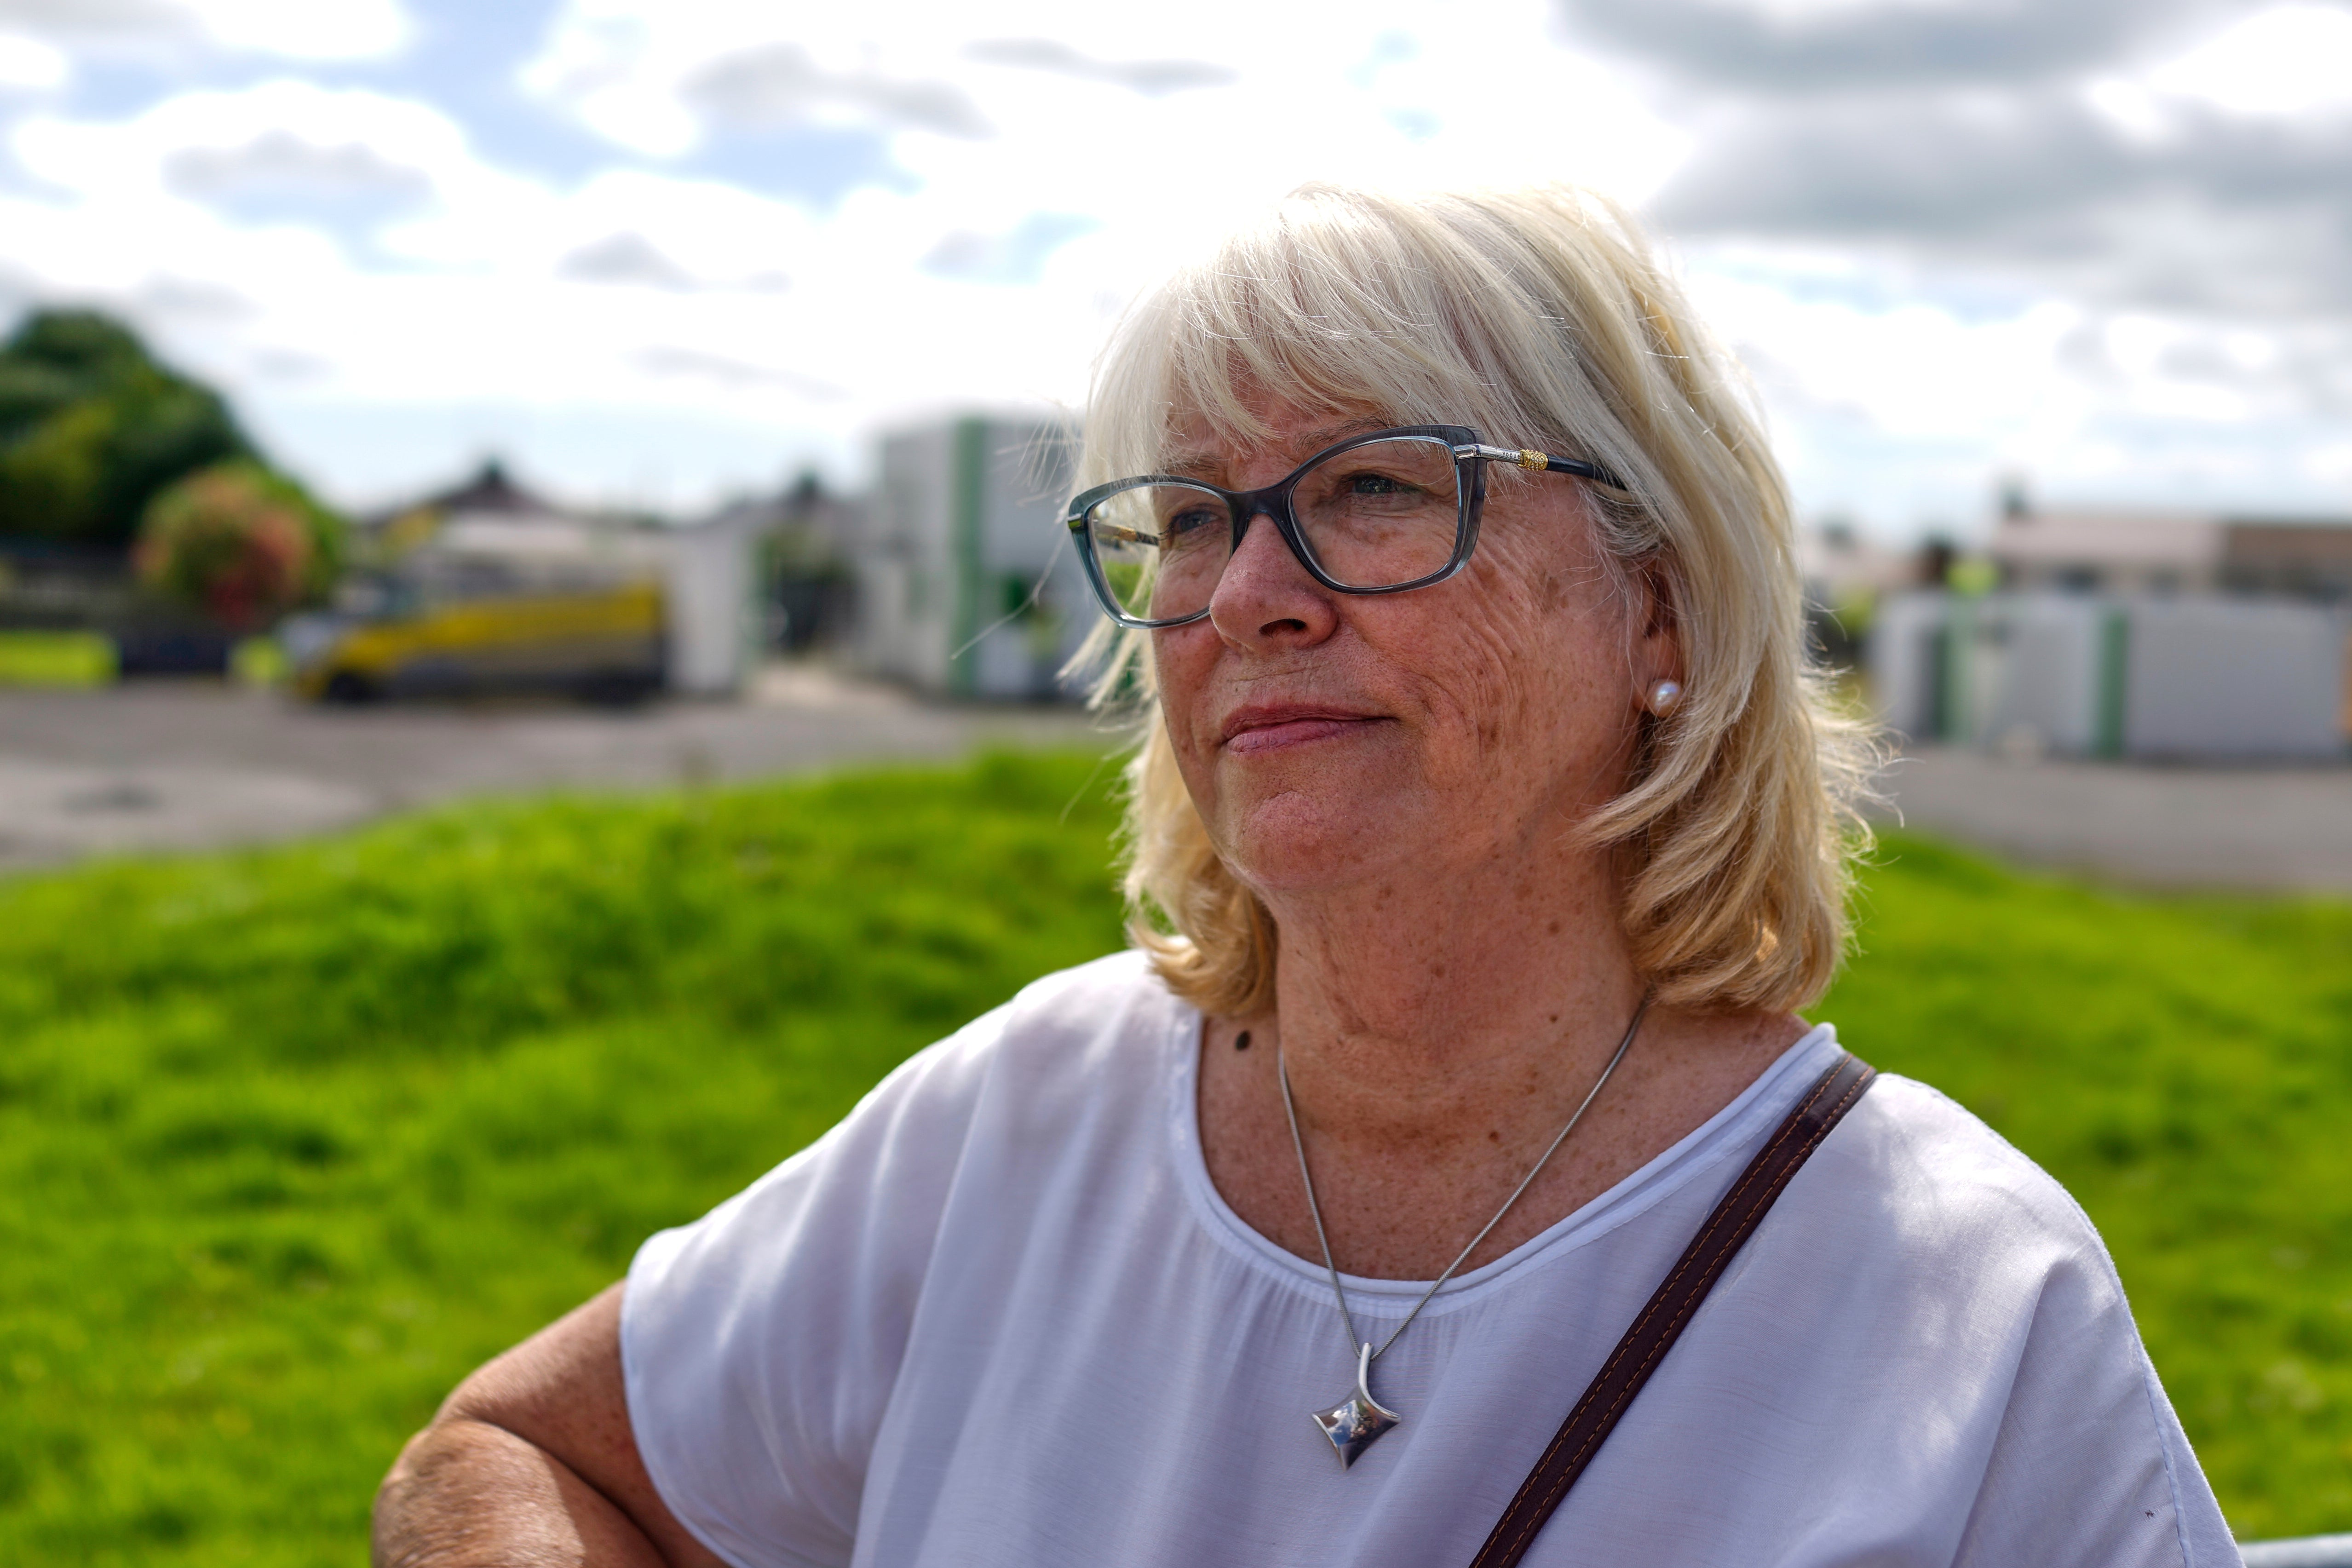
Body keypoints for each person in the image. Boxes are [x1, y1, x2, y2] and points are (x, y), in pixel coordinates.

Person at [373, 183, 2239, 1567]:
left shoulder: (1960, 1303)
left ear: (1661, 602)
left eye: (1372, 486)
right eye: (1186, 516)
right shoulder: (1022, 1120)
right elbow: (514, 1454)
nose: (1247, 591)